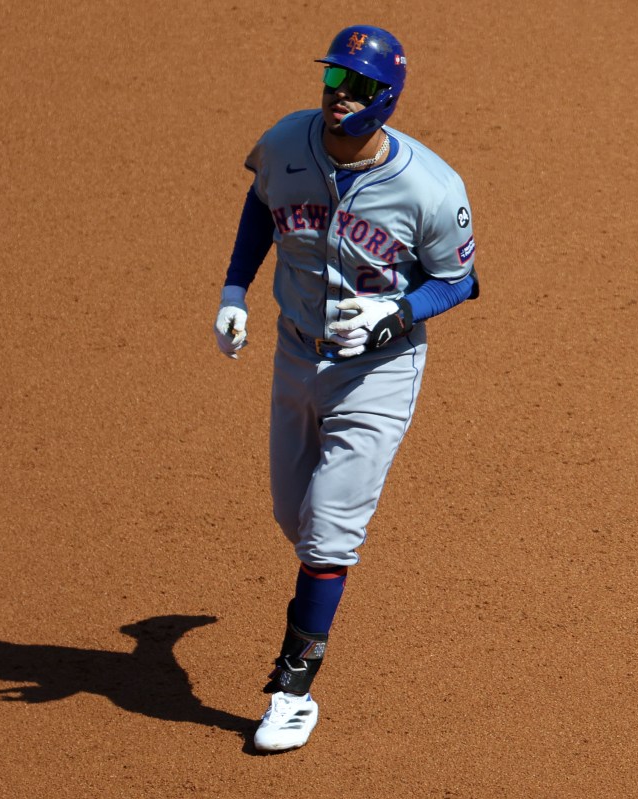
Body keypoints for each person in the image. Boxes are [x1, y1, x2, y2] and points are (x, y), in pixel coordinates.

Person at [213, 24, 480, 752]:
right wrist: (234, 290)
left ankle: (292, 690)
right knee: (293, 516)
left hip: (378, 374)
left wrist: (398, 312)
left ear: (384, 99)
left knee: (328, 534)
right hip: (295, 357)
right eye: (333, 81)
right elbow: (260, 202)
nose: (338, 98)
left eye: (356, 86)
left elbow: (461, 280)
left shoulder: (431, 187)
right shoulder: (285, 143)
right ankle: (322, 575)